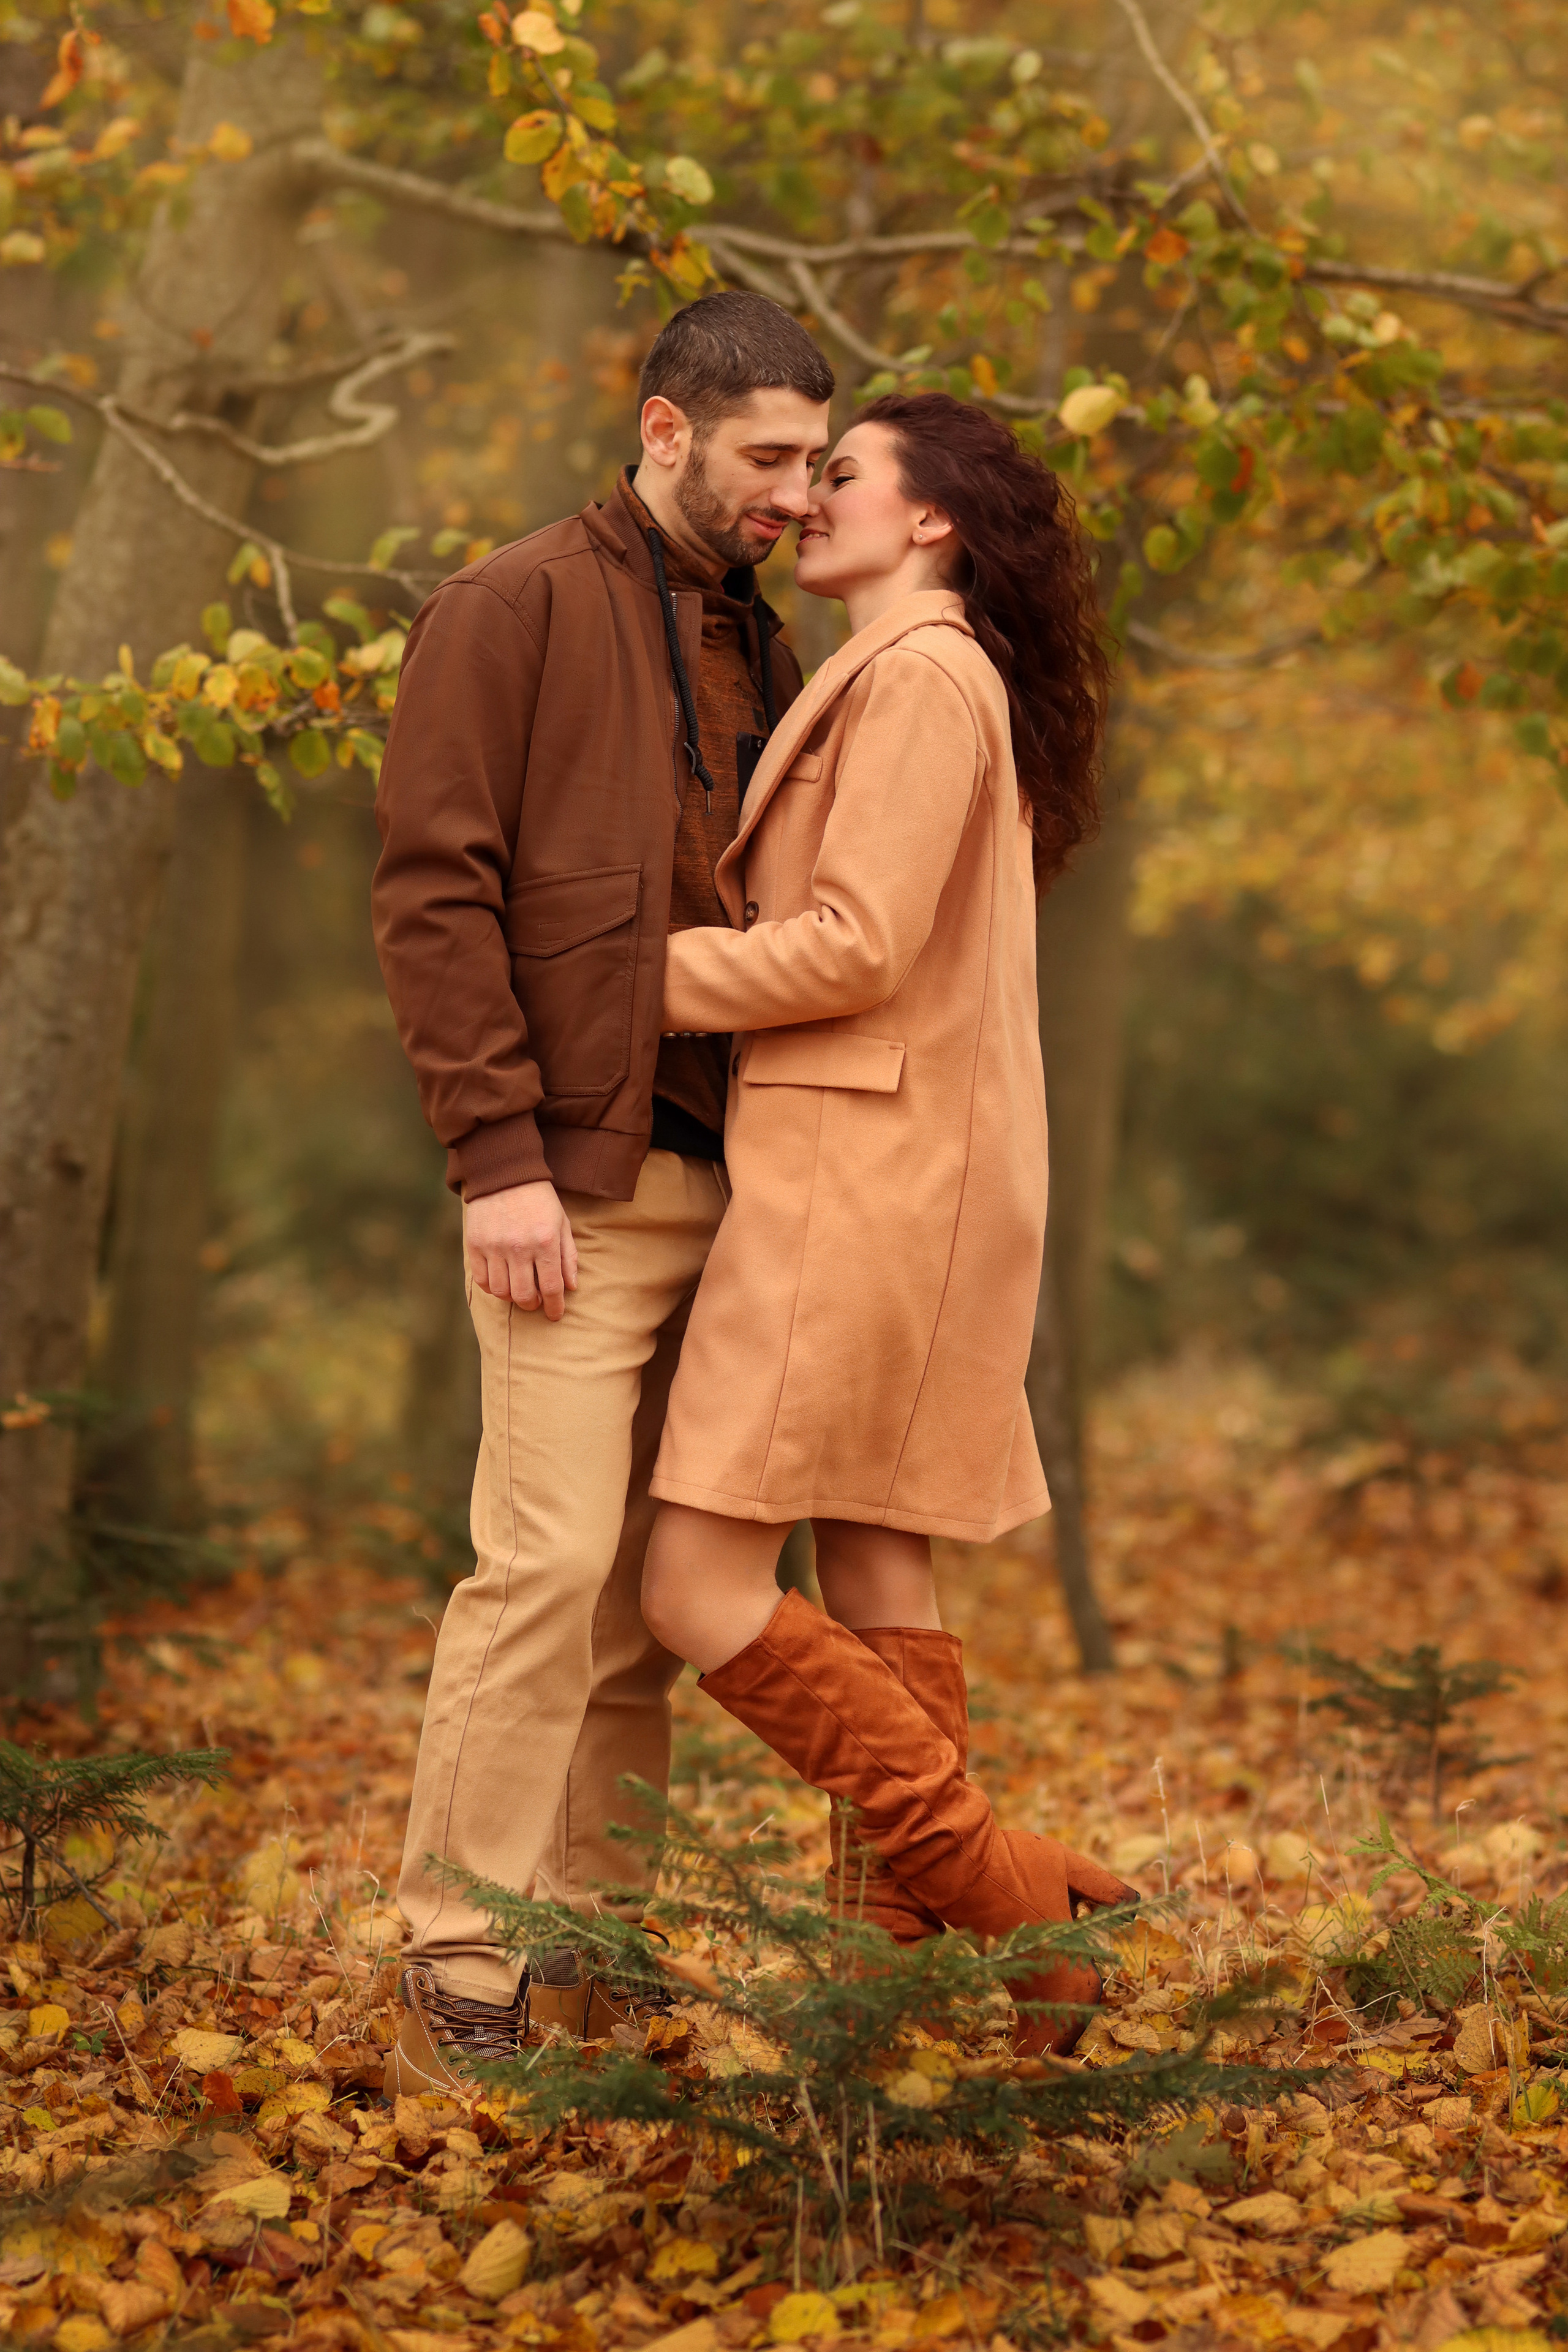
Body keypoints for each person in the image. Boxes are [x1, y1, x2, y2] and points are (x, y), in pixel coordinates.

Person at [371, 291, 834, 2096]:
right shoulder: (511, 607)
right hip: (571, 1188)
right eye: (768, 456)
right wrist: (495, 1159)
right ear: (665, 430)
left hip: (744, 1187)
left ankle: (589, 1955)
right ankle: (453, 1955)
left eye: (815, 462)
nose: (796, 492)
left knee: (647, 1598)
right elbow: (436, 893)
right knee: (545, 1566)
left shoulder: (770, 647)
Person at [639, 393, 1134, 2054]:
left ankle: (1012, 1902)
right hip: (916, 1164)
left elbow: (854, 944)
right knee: (875, 1563)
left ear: (931, 520)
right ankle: (878, 2004)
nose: (808, 500)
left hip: (860, 1173)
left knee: (693, 1582)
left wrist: (633, 977)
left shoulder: (921, 676)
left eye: (842, 474)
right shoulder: (928, 673)